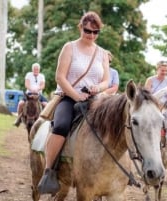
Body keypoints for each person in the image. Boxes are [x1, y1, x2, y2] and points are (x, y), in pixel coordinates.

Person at [37, 11, 109, 193]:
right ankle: (49, 171)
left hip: (95, 100)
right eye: (87, 31)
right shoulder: (69, 48)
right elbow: (60, 77)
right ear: (80, 28)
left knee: (113, 126)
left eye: (95, 32)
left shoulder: (102, 53)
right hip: (69, 98)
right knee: (61, 126)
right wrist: (77, 97)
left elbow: (106, 81)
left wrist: (97, 88)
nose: (91, 35)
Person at [13, 63, 48, 127]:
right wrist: (31, 89)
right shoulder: (28, 75)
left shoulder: (42, 76)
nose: (36, 70)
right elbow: (26, 84)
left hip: (38, 94)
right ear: (32, 69)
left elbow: (43, 85)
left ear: (39, 70)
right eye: (34, 69)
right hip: (29, 94)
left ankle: (46, 120)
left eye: (37, 69)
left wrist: (38, 89)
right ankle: (18, 119)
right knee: (20, 103)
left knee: (46, 105)